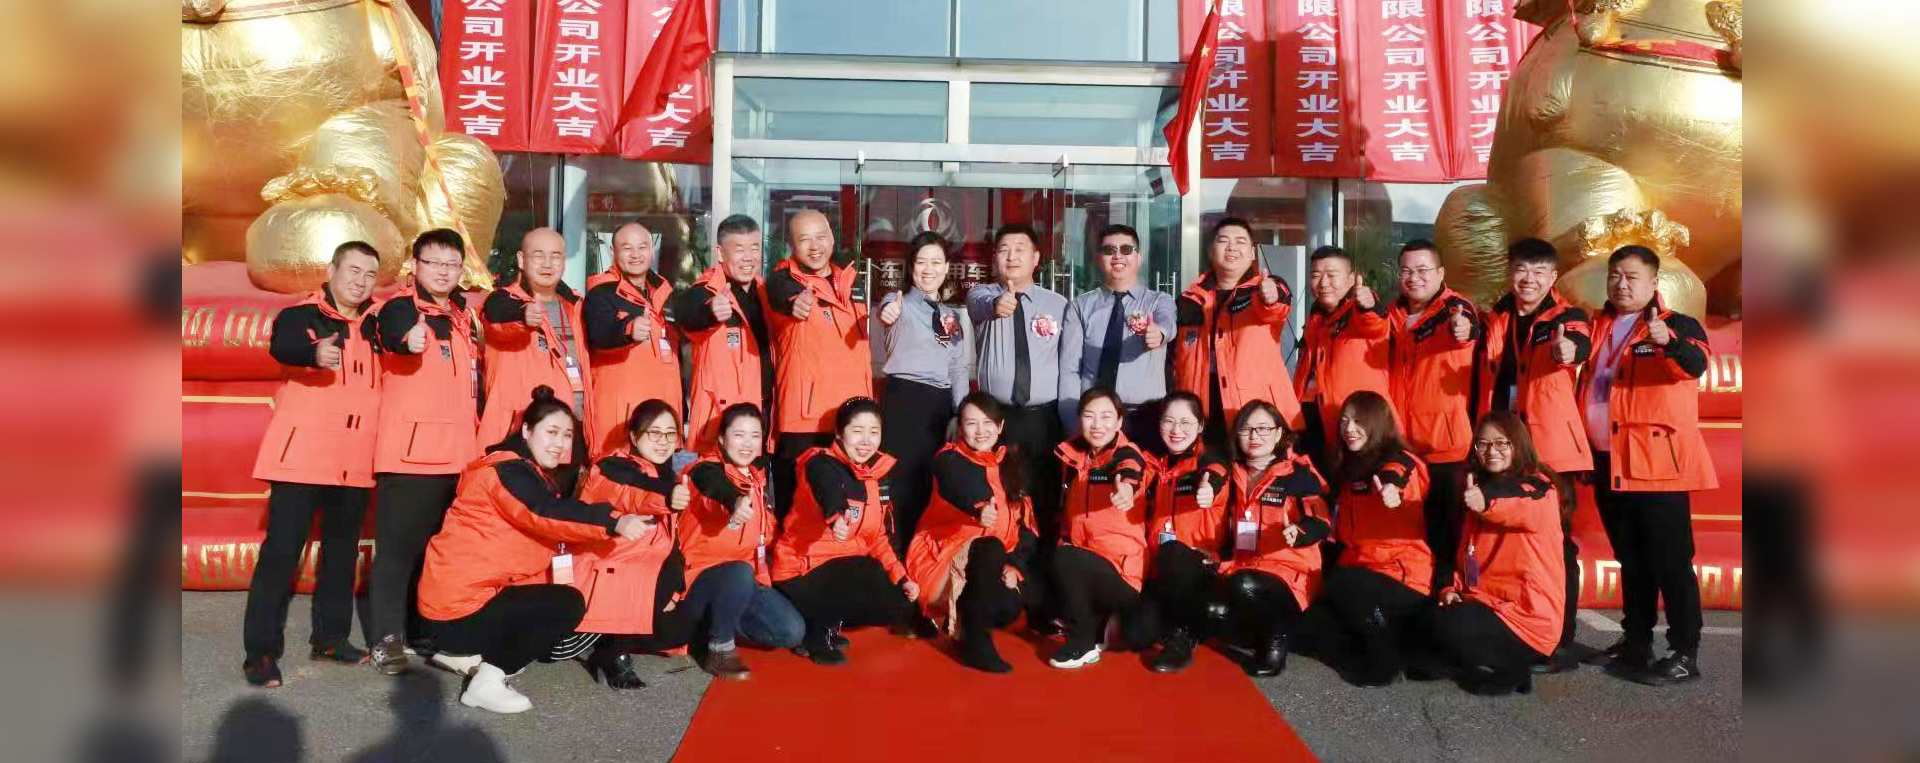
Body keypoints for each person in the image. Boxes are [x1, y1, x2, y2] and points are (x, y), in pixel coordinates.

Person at [415, 386, 653, 713]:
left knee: (548, 599)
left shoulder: (524, 470)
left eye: (567, 435)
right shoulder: (507, 472)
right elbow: (543, 512)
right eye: (551, 432)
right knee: (566, 604)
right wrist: (613, 521)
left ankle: (462, 655)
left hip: (464, 602)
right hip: (456, 611)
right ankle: (487, 682)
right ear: (526, 430)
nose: (560, 443)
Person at [242, 241, 382, 687]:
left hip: (353, 458)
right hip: (302, 458)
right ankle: (260, 653)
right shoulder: (301, 315)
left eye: (369, 274)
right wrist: (313, 354)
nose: (360, 281)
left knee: (341, 555)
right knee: (281, 554)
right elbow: (281, 344)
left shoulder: (377, 323)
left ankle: (331, 638)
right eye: (353, 270)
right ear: (331, 271)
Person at [1579, 245, 1717, 685]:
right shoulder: (1597, 325)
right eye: (1615, 275)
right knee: (1631, 558)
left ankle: (1684, 651)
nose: (1621, 284)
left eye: (1632, 277)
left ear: (1654, 282)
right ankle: (1636, 641)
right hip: (1609, 460)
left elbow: (1695, 365)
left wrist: (1668, 343)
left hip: (1658, 465)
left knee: (1671, 561)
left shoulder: (1678, 324)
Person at [367, 228, 484, 674]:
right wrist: (408, 340)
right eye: (434, 263)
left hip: (459, 455)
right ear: (415, 265)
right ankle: (387, 640)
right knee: (397, 553)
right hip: (412, 456)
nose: (443, 272)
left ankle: (424, 631)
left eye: (452, 264)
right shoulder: (400, 308)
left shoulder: (462, 314)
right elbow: (392, 333)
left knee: (437, 553)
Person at [1473, 238, 1592, 669]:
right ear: (1510, 272)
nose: (1530, 279)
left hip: (1549, 452)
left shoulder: (1567, 317)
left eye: (1540, 272)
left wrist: (1567, 351)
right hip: (1500, 448)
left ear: (1553, 277)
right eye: (1522, 269)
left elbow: (1577, 343)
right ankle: (1516, 626)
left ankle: (1561, 638)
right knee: (1508, 539)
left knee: (1557, 546)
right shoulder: (1496, 317)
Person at [966, 224, 1070, 630]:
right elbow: (980, 305)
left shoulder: (1058, 304)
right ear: (995, 258)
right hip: (998, 419)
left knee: (1043, 505)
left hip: (1043, 418)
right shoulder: (983, 295)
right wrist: (999, 304)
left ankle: (1040, 598)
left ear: (1036, 258)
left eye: (1020, 249)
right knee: (1000, 503)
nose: (1011, 256)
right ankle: (997, 591)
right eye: (1003, 249)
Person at [771, 398, 920, 666]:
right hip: (801, 568)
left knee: (896, 599)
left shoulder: (875, 475)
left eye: (873, 432)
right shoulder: (819, 463)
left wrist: (902, 577)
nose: (866, 441)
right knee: (862, 570)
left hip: (840, 569)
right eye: (857, 431)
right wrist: (836, 515)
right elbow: (827, 487)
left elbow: (878, 538)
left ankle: (825, 621)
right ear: (840, 434)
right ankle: (815, 635)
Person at [1428, 410, 1566, 696]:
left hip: (1527, 621)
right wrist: (1450, 590)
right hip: (1485, 605)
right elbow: (1466, 558)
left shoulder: (1539, 488)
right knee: (1429, 619)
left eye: (1501, 443)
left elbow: (1516, 499)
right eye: (1483, 444)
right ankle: (1481, 663)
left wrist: (1486, 500)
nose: (1491, 451)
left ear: (1519, 445)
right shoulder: (1477, 490)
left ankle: (1508, 668)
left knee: (1445, 630)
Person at [557, 400, 692, 688]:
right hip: (602, 571)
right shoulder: (611, 466)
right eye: (654, 433)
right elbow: (631, 491)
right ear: (633, 435)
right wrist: (667, 497)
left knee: (680, 630)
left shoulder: (667, 473)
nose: (663, 441)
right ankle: (611, 649)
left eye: (671, 433)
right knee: (556, 648)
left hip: (644, 569)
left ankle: (621, 633)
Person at [904, 392, 1041, 673]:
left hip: (991, 564)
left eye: (988, 422)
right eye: (971, 423)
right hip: (943, 560)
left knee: (1010, 607)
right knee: (989, 544)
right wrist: (978, 509)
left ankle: (962, 617)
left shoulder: (1012, 465)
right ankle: (976, 644)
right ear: (960, 427)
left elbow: (1027, 526)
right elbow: (956, 486)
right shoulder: (948, 459)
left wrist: (1015, 566)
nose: (980, 431)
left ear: (1000, 426)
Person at [673, 403, 808, 679]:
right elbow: (715, 490)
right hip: (698, 581)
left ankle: (715, 623)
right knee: (738, 571)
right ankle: (719, 648)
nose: (747, 443)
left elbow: (766, 535)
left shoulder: (756, 478)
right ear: (722, 439)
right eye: (739, 435)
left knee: (791, 631)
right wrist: (733, 502)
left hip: (744, 580)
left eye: (755, 435)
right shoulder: (701, 472)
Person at [1384, 240, 1478, 597]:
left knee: (1445, 534)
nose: (1414, 278)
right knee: (1408, 532)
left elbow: (1466, 330)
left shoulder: (1455, 309)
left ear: (1440, 273)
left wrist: (1462, 329)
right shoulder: (1392, 313)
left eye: (1423, 270)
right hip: (1402, 445)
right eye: (1407, 270)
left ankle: (1446, 599)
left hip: (1444, 447)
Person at [766, 210, 873, 519]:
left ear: (832, 239)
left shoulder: (851, 281)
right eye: (804, 239)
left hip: (851, 418)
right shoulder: (784, 281)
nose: (815, 246)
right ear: (791, 245)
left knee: (847, 510)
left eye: (821, 237)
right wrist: (795, 303)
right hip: (805, 422)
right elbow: (782, 294)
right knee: (799, 511)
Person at [1321, 390, 1433, 686]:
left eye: (1359, 421)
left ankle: (1386, 662)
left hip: (1400, 573)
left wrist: (1392, 490)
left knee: (1344, 584)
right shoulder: (1350, 468)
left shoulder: (1400, 460)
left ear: (1377, 424)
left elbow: (1398, 473)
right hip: (1361, 566)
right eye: (1345, 421)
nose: (1349, 428)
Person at [1216, 401, 1329, 677]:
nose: (1255, 436)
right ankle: (1258, 631)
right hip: (1244, 564)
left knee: (1244, 586)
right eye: (1246, 429)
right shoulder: (1233, 473)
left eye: (1263, 429)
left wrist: (1299, 533)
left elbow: (1322, 521)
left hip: (1289, 571)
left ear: (1279, 434)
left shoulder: (1298, 474)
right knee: (1210, 608)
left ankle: (1276, 638)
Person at [874, 231, 971, 553]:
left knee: (932, 485)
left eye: (936, 262)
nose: (929, 270)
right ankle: (897, 560)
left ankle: (925, 561)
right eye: (921, 262)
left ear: (946, 268)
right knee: (902, 486)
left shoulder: (950, 316)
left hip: (940, 407)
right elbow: (888, 310)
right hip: (905, 402)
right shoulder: (898, 303)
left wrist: (958, 413)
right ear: (911, 267)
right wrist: (888, 311)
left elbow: (958, 368)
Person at [1047, 388, 1157, 669]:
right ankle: (1100, 619)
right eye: (1089, 416)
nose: (1097, 425)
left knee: (1065, 558)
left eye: (1106, 417)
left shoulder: (1126, 453)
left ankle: (1083, 640)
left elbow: (1130, 467)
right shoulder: (1071, 456)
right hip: (1085, 561)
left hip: (1120, 570)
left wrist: (1126, 487)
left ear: (1119, 421)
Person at [1172, 218, 1302, 449]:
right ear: (1211, 251)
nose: (1232, 247)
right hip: (1201, 413)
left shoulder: (1260, 292)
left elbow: (1277, 305)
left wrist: (1271, 295)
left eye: (1240, 242)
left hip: (1252, 415)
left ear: (1252, 253)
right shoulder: (1189, 299)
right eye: (1223, 241)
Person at [1059, 224, 1178, 448]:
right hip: (1096, 421)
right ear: (1098, 258)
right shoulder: (1080, 306)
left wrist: (1159, 334)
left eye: (1126, 249)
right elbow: (1070, 369)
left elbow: (1167, 324)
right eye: (1109, 250)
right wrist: (1072, 423)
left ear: (1138, 257)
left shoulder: (1158, 301)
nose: (1117, 256)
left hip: (1144, 416)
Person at [1139, 392, 1230, 673]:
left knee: (1174, 552)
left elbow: (1216, 472)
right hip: (1159, 569)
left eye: (1185, 422)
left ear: (1200, 425)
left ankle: (1182, 637)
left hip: (1197, 566)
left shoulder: (1208, 461)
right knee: (1136, 632)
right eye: (1169, 421)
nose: (1176, 430)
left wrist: (1209, 488)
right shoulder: (1156, 464)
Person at [479, 227, 594, 451]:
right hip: (522, 434)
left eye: (555, 256)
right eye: (538, 256)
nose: (547, 264)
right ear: (521, 260)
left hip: (572, 430)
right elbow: (495, 314)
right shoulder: (503, 302)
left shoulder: (576, 306)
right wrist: (522, 314)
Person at [668, 215, 774, 451]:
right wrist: (711, 311)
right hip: (720, 421)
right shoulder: (705, 291)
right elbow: (686, 312)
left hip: (761, 419)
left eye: (754, 248)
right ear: (720, 253)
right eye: (739, 249)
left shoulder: (764, 291)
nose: (748, 257)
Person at [583, 221, 682, 454]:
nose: (636, 254)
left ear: (652, 250)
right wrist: (627, 330)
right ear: (613, 252)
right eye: (627, 248)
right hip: (620, 418)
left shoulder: (664, 294)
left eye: (642, 247)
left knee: (658, 476)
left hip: (661, 417)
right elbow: (598, 334)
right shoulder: (601, 292)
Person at [1293, 245, 1391, 471]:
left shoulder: (1358, 312)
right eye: (1316, 275)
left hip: (1354, 427)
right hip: (1311, 424)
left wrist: (1368, 306)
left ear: (1351, 279)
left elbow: (1375, 323)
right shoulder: (1316, 319)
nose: (1323, 282)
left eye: (1332, 275)